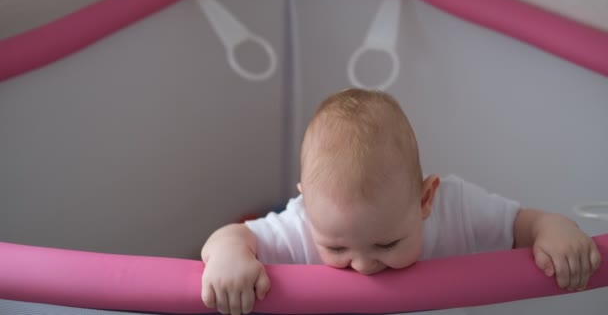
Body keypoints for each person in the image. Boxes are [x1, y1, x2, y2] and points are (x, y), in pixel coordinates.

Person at [201, 88, 601, 315]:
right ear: (306, 207)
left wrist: (554, 228)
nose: (362, 264)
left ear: (425, 199)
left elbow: (521, 225)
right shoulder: (304, 225)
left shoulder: (455, 208)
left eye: (386, 244)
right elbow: (232, 237)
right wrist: (228, 258)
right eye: (337, 247)